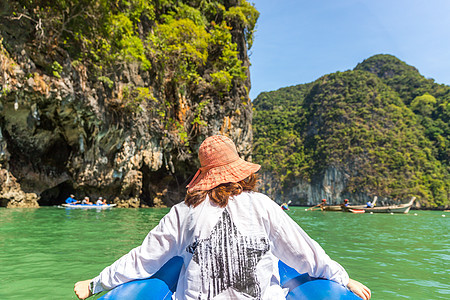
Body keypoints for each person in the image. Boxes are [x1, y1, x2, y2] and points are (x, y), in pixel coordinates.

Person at [74, 135, 371, 300]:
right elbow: (305, 254)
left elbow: (143, 259)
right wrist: (343, 280)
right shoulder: (263, 206)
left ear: (204, 175)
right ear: (239, 172)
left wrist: (96, 283)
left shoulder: (182, 213)